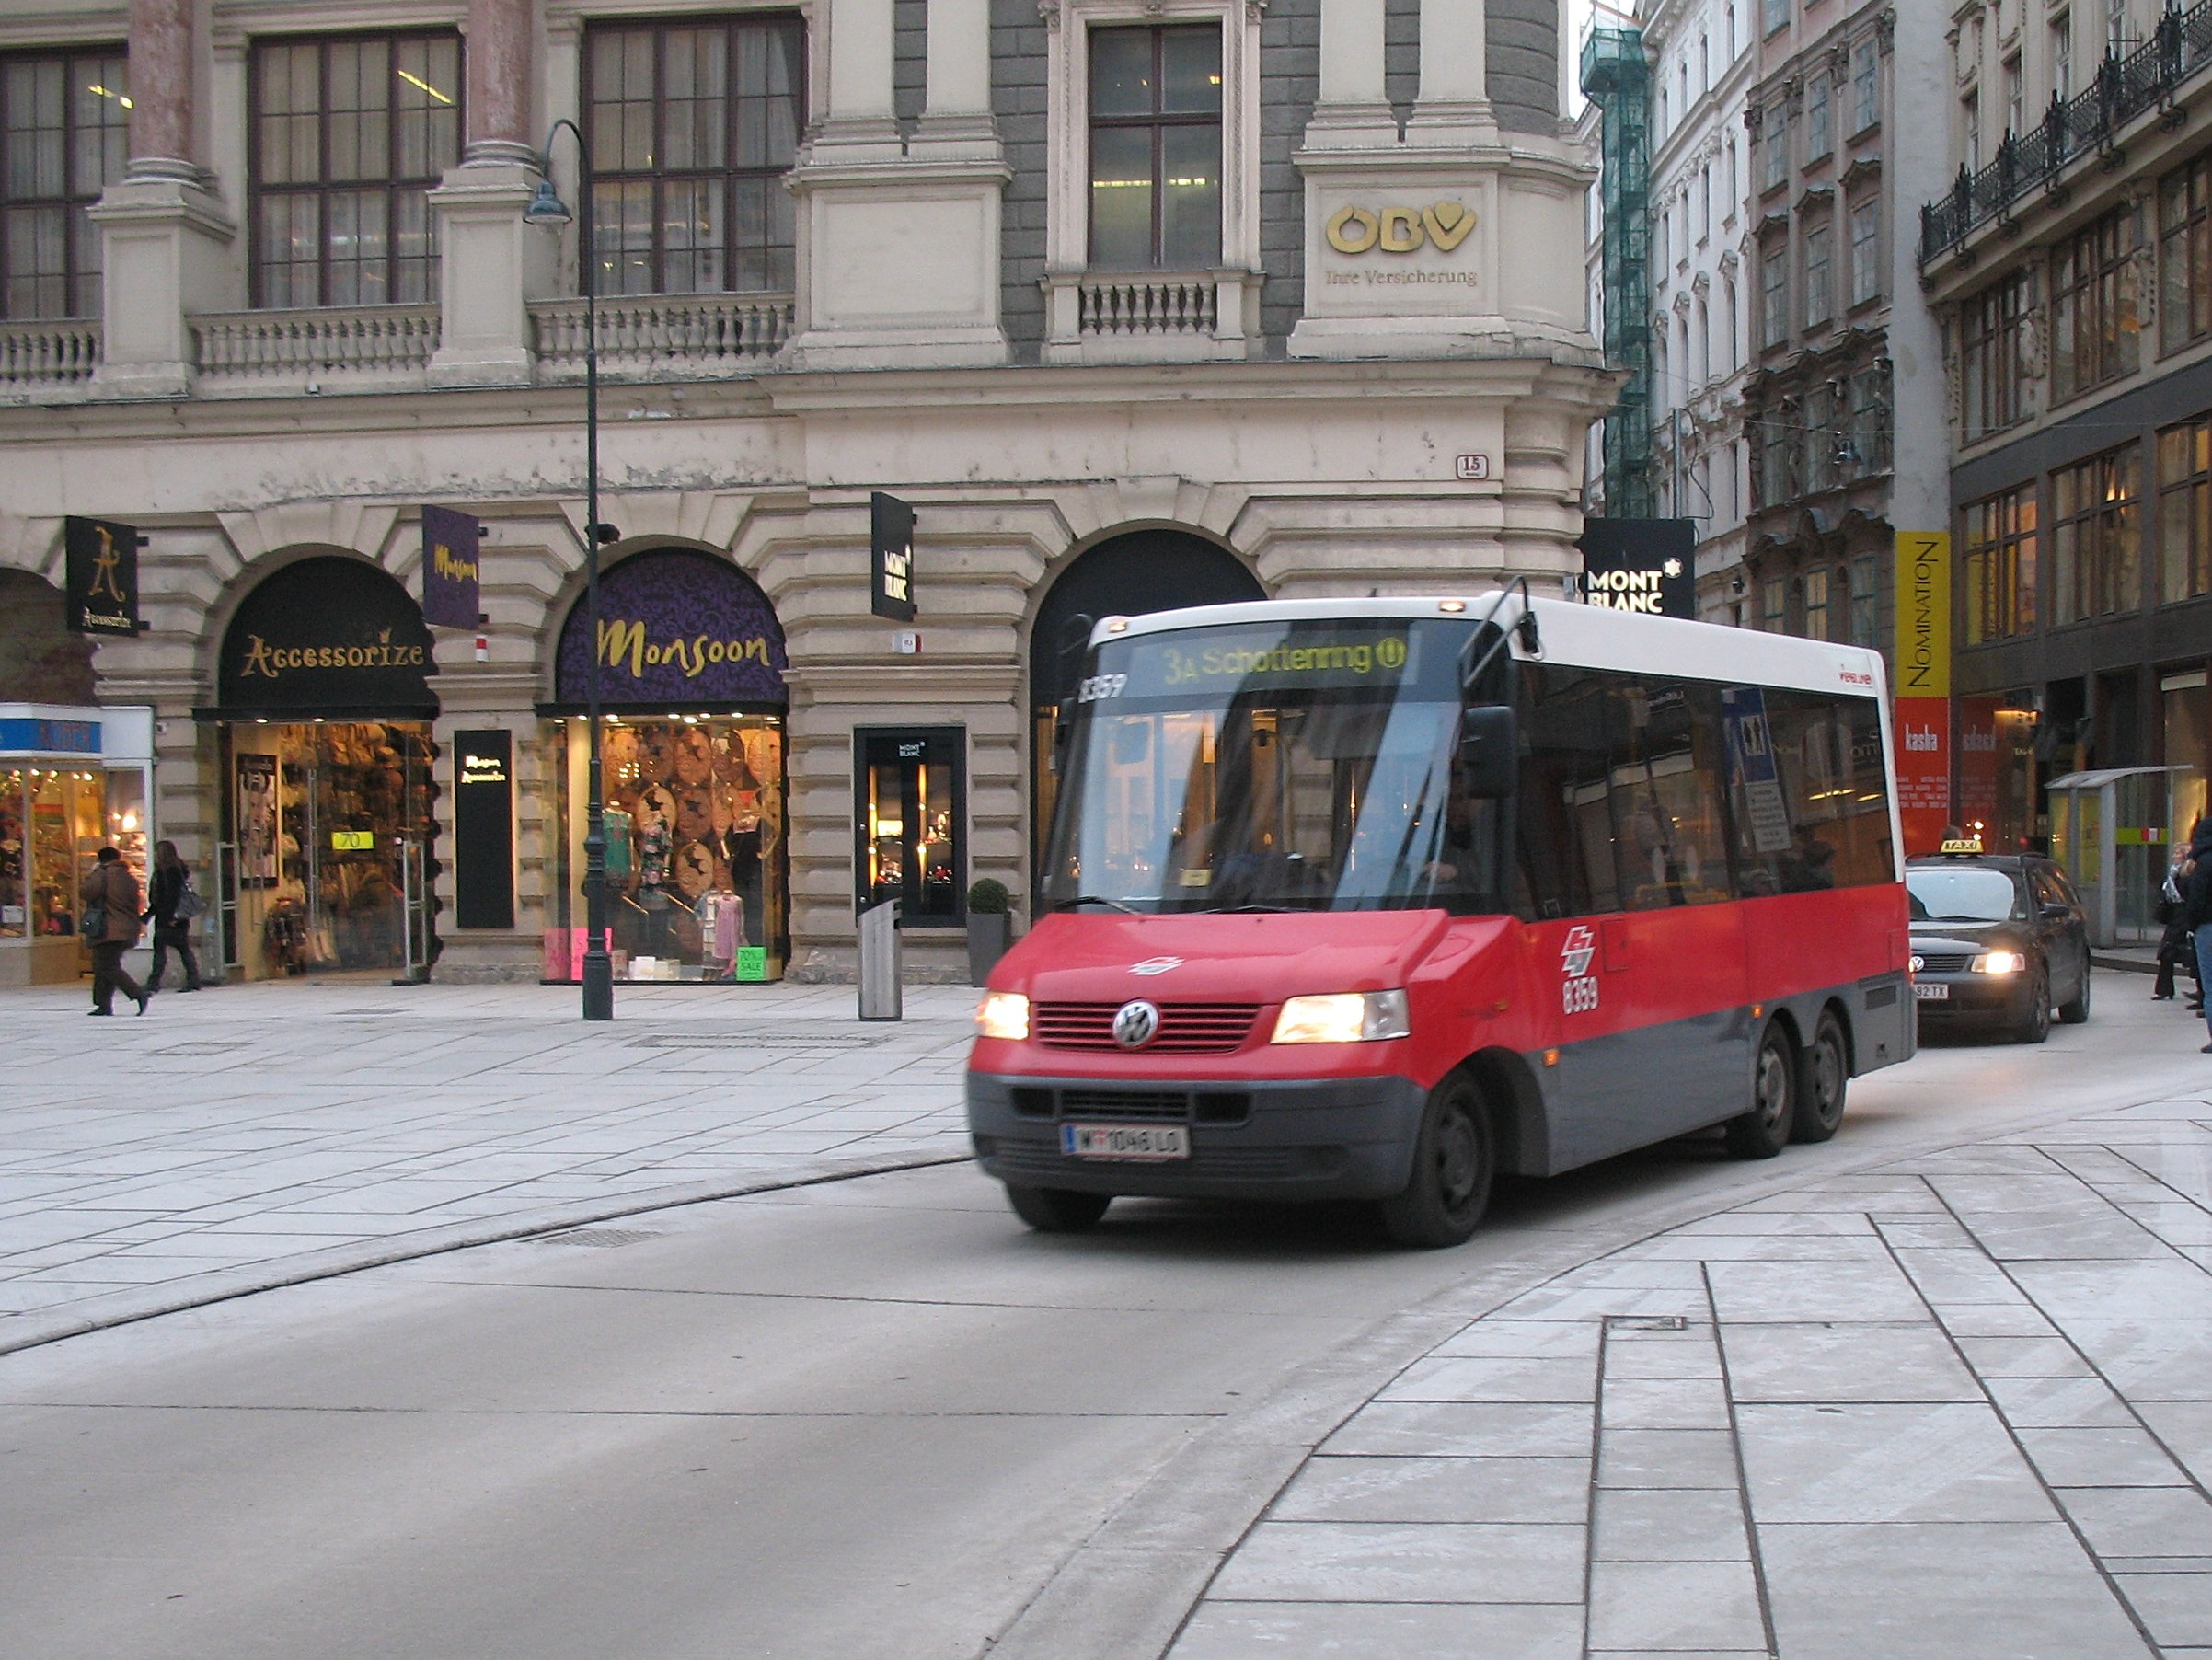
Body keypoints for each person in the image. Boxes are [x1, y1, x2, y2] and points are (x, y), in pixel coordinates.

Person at [79, 846, 148, 1016]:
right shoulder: (129, 878)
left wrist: (93, 873)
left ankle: (137, 993)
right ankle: (104, 1004)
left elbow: (86, 892)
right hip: (127, 927)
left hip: (108, 928)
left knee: (107, 967)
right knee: (104, 966)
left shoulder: (103, 874)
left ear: (101, 859)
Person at [144, 839, 202, 994]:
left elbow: (169, 896)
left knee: (163, 948)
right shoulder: (177, 869)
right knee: (182, 947)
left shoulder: (169, 871)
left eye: (157, 852)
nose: (155, 855)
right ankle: (193, 979)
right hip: (176, 916)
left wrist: (165, 915)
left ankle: (154, 982)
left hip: (169, 915)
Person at [2181, 822, 2212, 1052]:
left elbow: (2195, 898)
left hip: (2207, 927)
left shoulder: (2202, 864)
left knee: (2210, 986)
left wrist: (2192, 925)